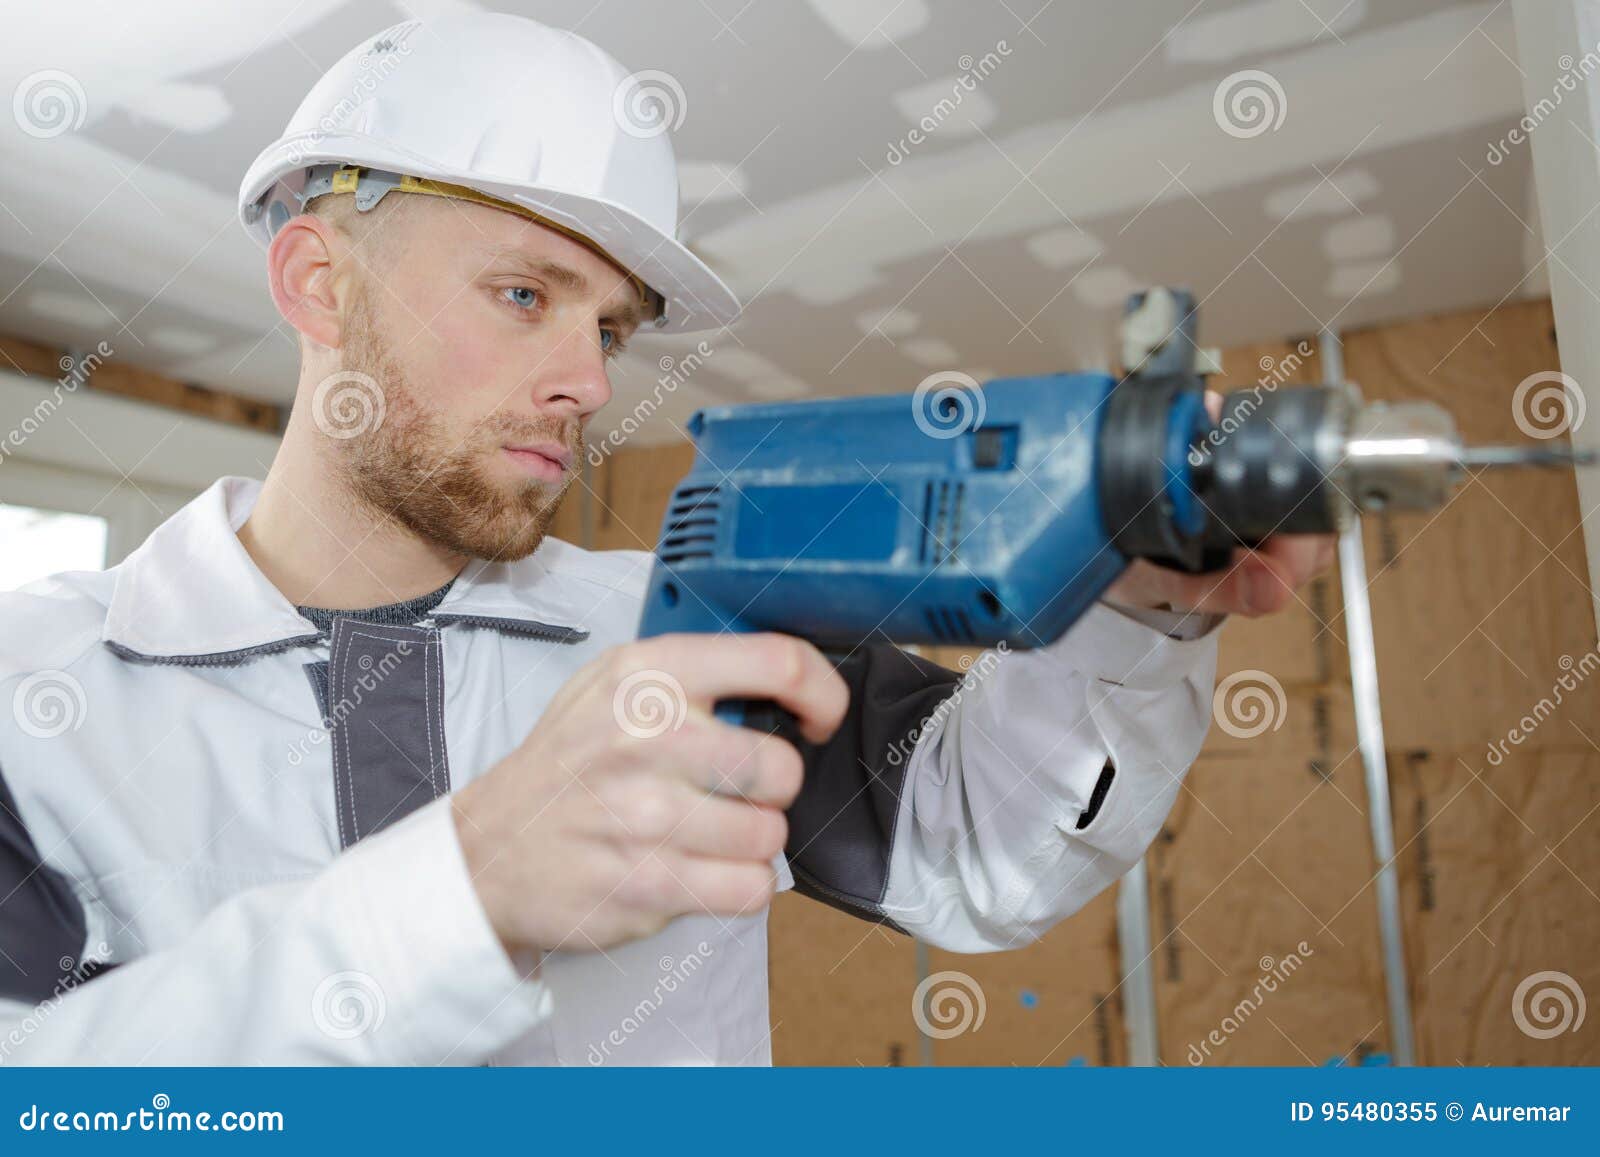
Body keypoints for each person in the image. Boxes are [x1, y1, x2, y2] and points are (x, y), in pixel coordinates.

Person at [0, 13, 1331, 1064]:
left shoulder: (684, 631)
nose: (588, 381)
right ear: (315, 283)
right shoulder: (34, 697)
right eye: (525, 294)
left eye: (610, 329)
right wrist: (460, 897)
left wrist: (1140, 602)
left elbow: (976, 846)